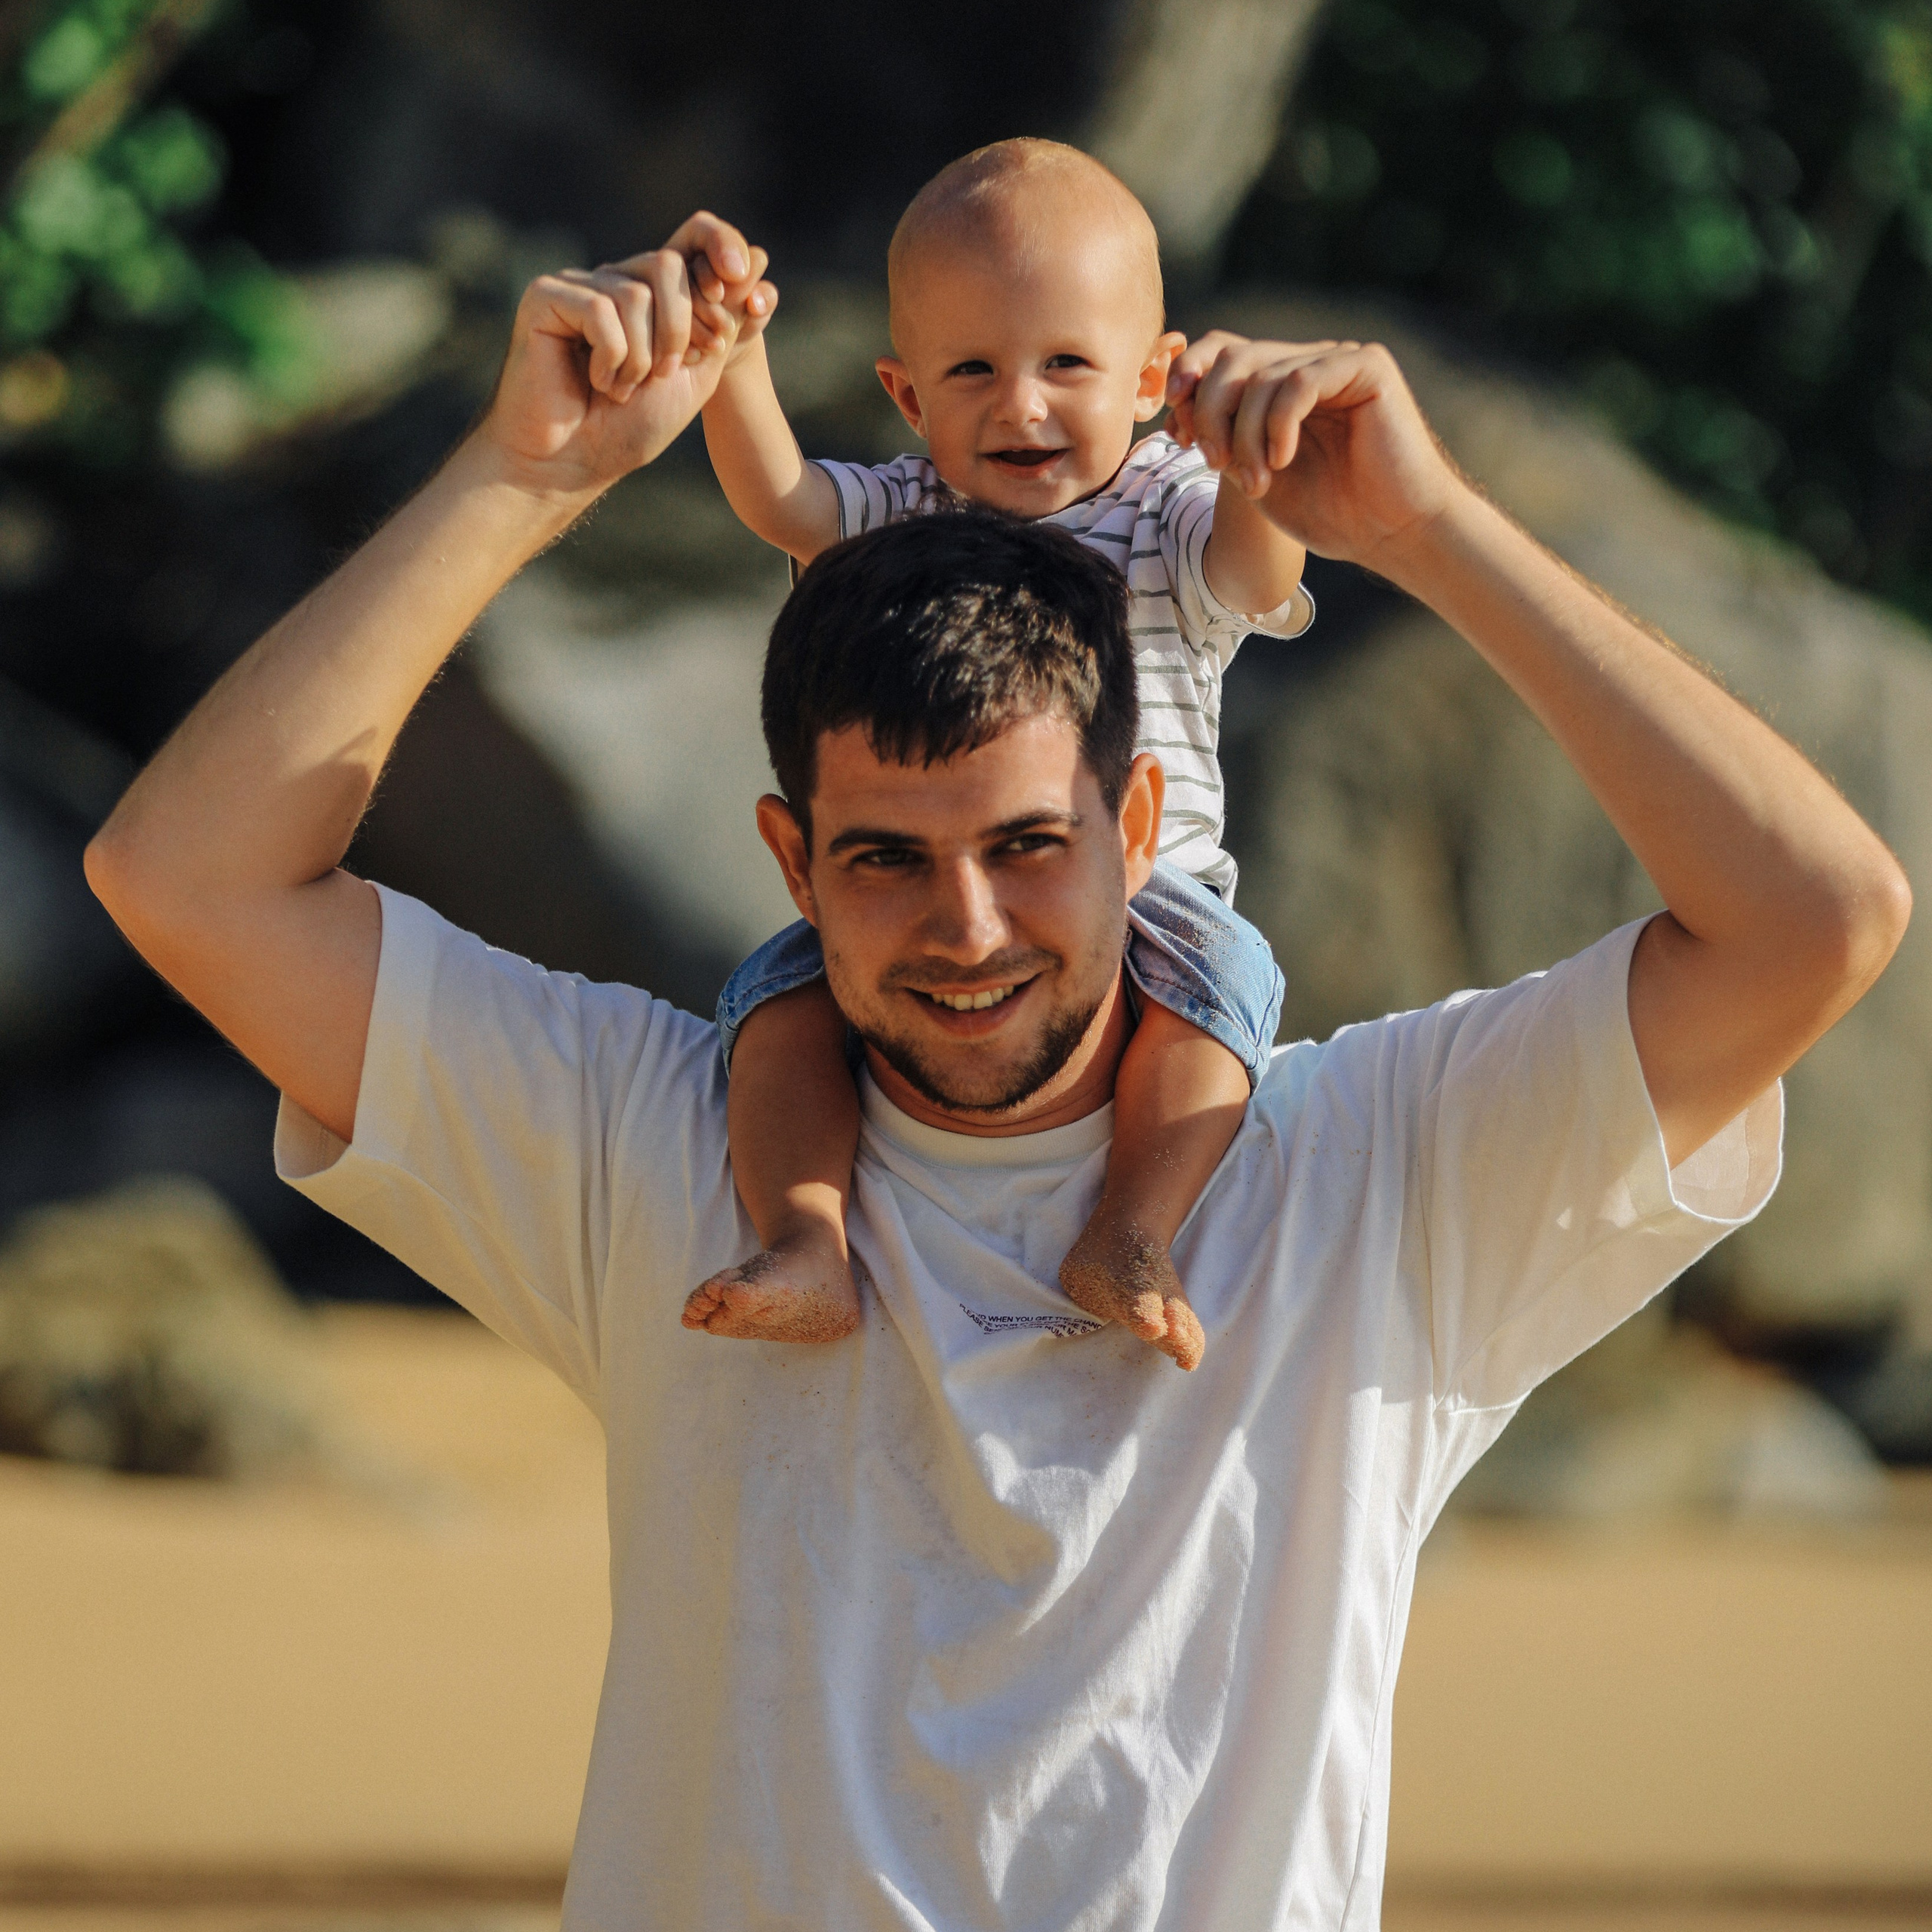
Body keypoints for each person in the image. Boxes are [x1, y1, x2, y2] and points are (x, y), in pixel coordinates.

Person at [84, 211, 1908, 1931]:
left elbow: (1814, 918)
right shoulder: (654, 1150)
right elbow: (187, 878)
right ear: (792, 864)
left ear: (1137, 821)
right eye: (885, 857)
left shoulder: (1370, 1176)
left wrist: (1433, 534)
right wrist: (525, 475)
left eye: (1028, 844)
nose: (965, 925)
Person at [689, 138, 1313, 1368]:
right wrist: (732, 358)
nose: (1019, 404)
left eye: (1066, 365)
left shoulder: (1169, 505)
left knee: (1226, 996)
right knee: (773, 1005)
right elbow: (782, 504)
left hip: (1157, 893)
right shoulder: (908, 506)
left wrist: (1255, 456)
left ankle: (1132, 1229)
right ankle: (806, 1238)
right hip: (925, 874)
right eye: (970, 369)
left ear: (1151, 378)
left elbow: (1258, 571)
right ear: (910, 397)